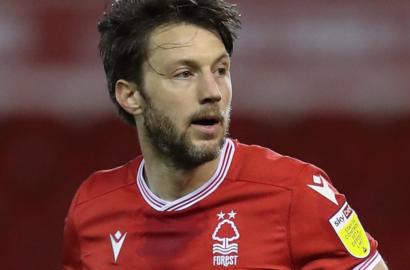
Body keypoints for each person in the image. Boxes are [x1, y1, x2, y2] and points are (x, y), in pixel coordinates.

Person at [63, 0, 388, 269]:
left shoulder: (296, 194)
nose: (212, 92)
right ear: (131, 96)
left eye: (220, 70)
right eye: (184, 73)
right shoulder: (91, 209)